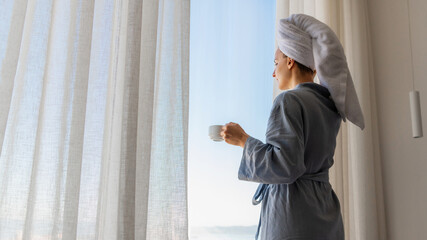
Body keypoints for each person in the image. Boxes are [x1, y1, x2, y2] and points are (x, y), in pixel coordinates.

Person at [220, 14, 365, 240]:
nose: (273, 72)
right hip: (325, 211)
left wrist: (243, 140)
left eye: (276, 63)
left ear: (290, 61)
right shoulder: (329, 106)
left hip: (292, 215)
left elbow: (284, 165)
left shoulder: (288, 101)